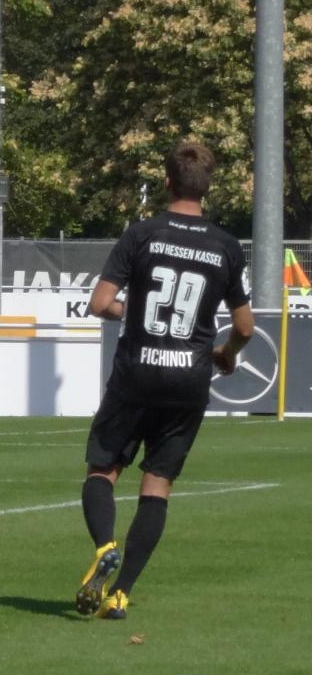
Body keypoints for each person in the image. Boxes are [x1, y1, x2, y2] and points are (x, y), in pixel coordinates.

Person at [75, 141, 253, 619]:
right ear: (206, 188)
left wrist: (131, 313)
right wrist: (226, 356)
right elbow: (244, 328)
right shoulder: (226, 247)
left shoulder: (141, 234)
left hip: (137, 373)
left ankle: (103, 546)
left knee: (102, 470)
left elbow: (99, 303)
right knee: (157, 485)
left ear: (168, 181)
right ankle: (121, 592)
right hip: (188, 380)